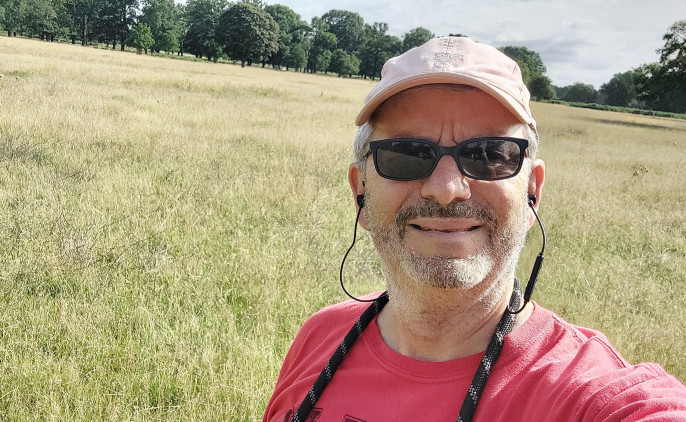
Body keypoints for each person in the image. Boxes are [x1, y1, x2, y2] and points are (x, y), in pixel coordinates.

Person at [263, 37, 686, 422]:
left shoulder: (588, 397)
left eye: (489, 154)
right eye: (406, 153)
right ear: (361, 195)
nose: (446, 190)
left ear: (531, 192)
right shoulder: (321, 335)